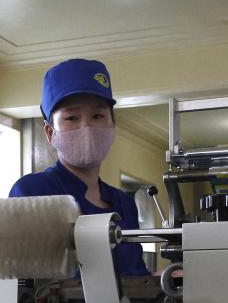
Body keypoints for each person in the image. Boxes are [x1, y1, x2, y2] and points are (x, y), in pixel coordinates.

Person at [9, 58, 150, 276]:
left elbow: (135, 279)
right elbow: (23, 285)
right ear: (49, 132)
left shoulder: (124, 204)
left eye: (98, 115)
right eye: (72, 118)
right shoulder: (33, 193)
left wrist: (161, 283)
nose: (86, 127)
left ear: (113, 124)